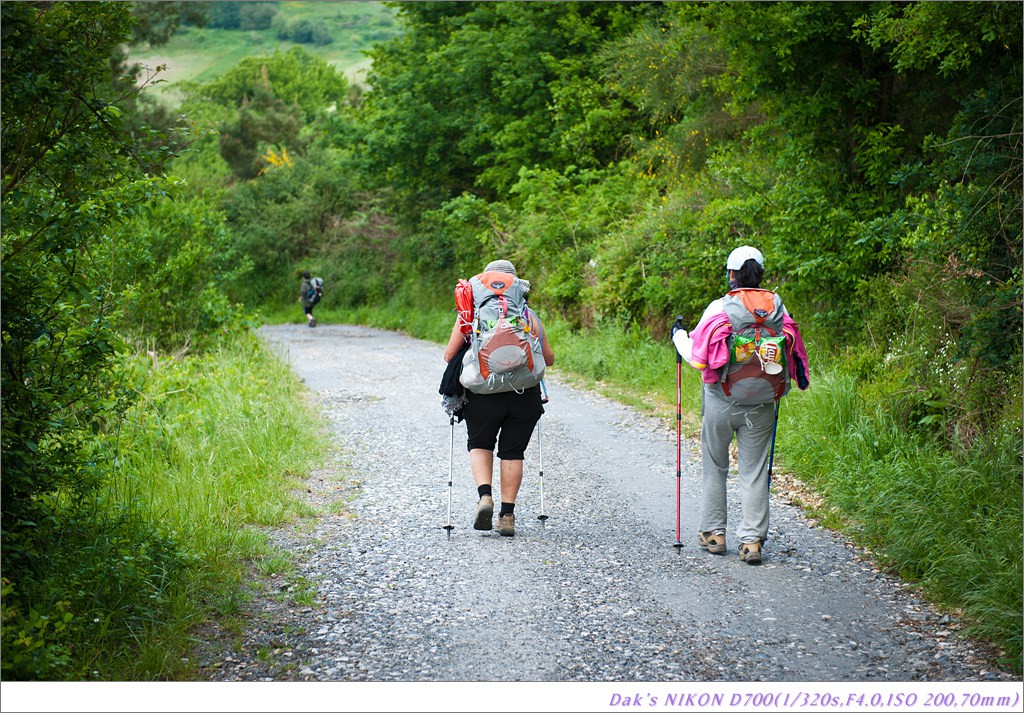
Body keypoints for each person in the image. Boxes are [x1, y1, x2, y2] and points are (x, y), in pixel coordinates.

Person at [673, 246, 809, 564]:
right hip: (763, 402)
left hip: (721, 399)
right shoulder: (777, 308)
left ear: (732, 274)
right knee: (754, 471)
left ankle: (714, 534)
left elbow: (696, 354)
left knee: (715, 466)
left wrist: (678, 334)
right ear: (759, 273)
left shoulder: (720, 307)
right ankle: (751, 543)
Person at [442, 259, 555, 537]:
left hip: (482, 391)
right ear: (516, 285)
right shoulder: (528, 315)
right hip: (523, 394)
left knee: (480, 443)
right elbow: (549, 359)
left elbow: (448, 356)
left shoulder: (470, 313)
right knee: (512, 452)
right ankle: (507, 515)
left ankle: (484, 497)